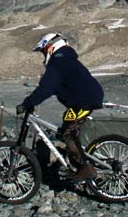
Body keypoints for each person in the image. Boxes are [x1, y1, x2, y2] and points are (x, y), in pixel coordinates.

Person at [17, 33, 104, 183]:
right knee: (66, 125)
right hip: (84, 100)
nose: (43, 57)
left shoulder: (58, 63)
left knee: (68, 133)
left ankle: (85, 168)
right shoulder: (65, 59)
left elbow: (45, 89)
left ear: (51, 48)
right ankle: (77, 159)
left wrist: (27, 103)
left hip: (84, 102)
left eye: (43, 52)